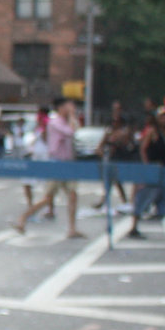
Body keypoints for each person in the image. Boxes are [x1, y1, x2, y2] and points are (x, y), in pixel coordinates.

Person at [15, 96, 83, 238]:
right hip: (57, 163)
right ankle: (23, 218)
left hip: (68, 164)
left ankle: (72, 228)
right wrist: (71, 115)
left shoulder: (64, 122)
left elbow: (75, 129)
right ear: (60, 107)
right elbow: (70, 131)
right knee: (48, 198)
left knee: (72, 195)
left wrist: (72, 117)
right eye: (68, 106)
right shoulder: (55, 123)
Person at [126, 106, 165, 239]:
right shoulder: (153, 132)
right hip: (153, 171)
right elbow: (143, 149)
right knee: (143, 198)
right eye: (163, 116)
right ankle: (134, 227)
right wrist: (147, 166)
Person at [92, 101, 135, 209]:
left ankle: (124, 200)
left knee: (117, 180)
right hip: (111, 158)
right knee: (110, 180)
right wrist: (102, 154)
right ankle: (108, 200)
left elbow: (129, 142)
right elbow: (100, 146)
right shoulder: (109, 130)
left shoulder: (125, 129)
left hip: (123, 157)